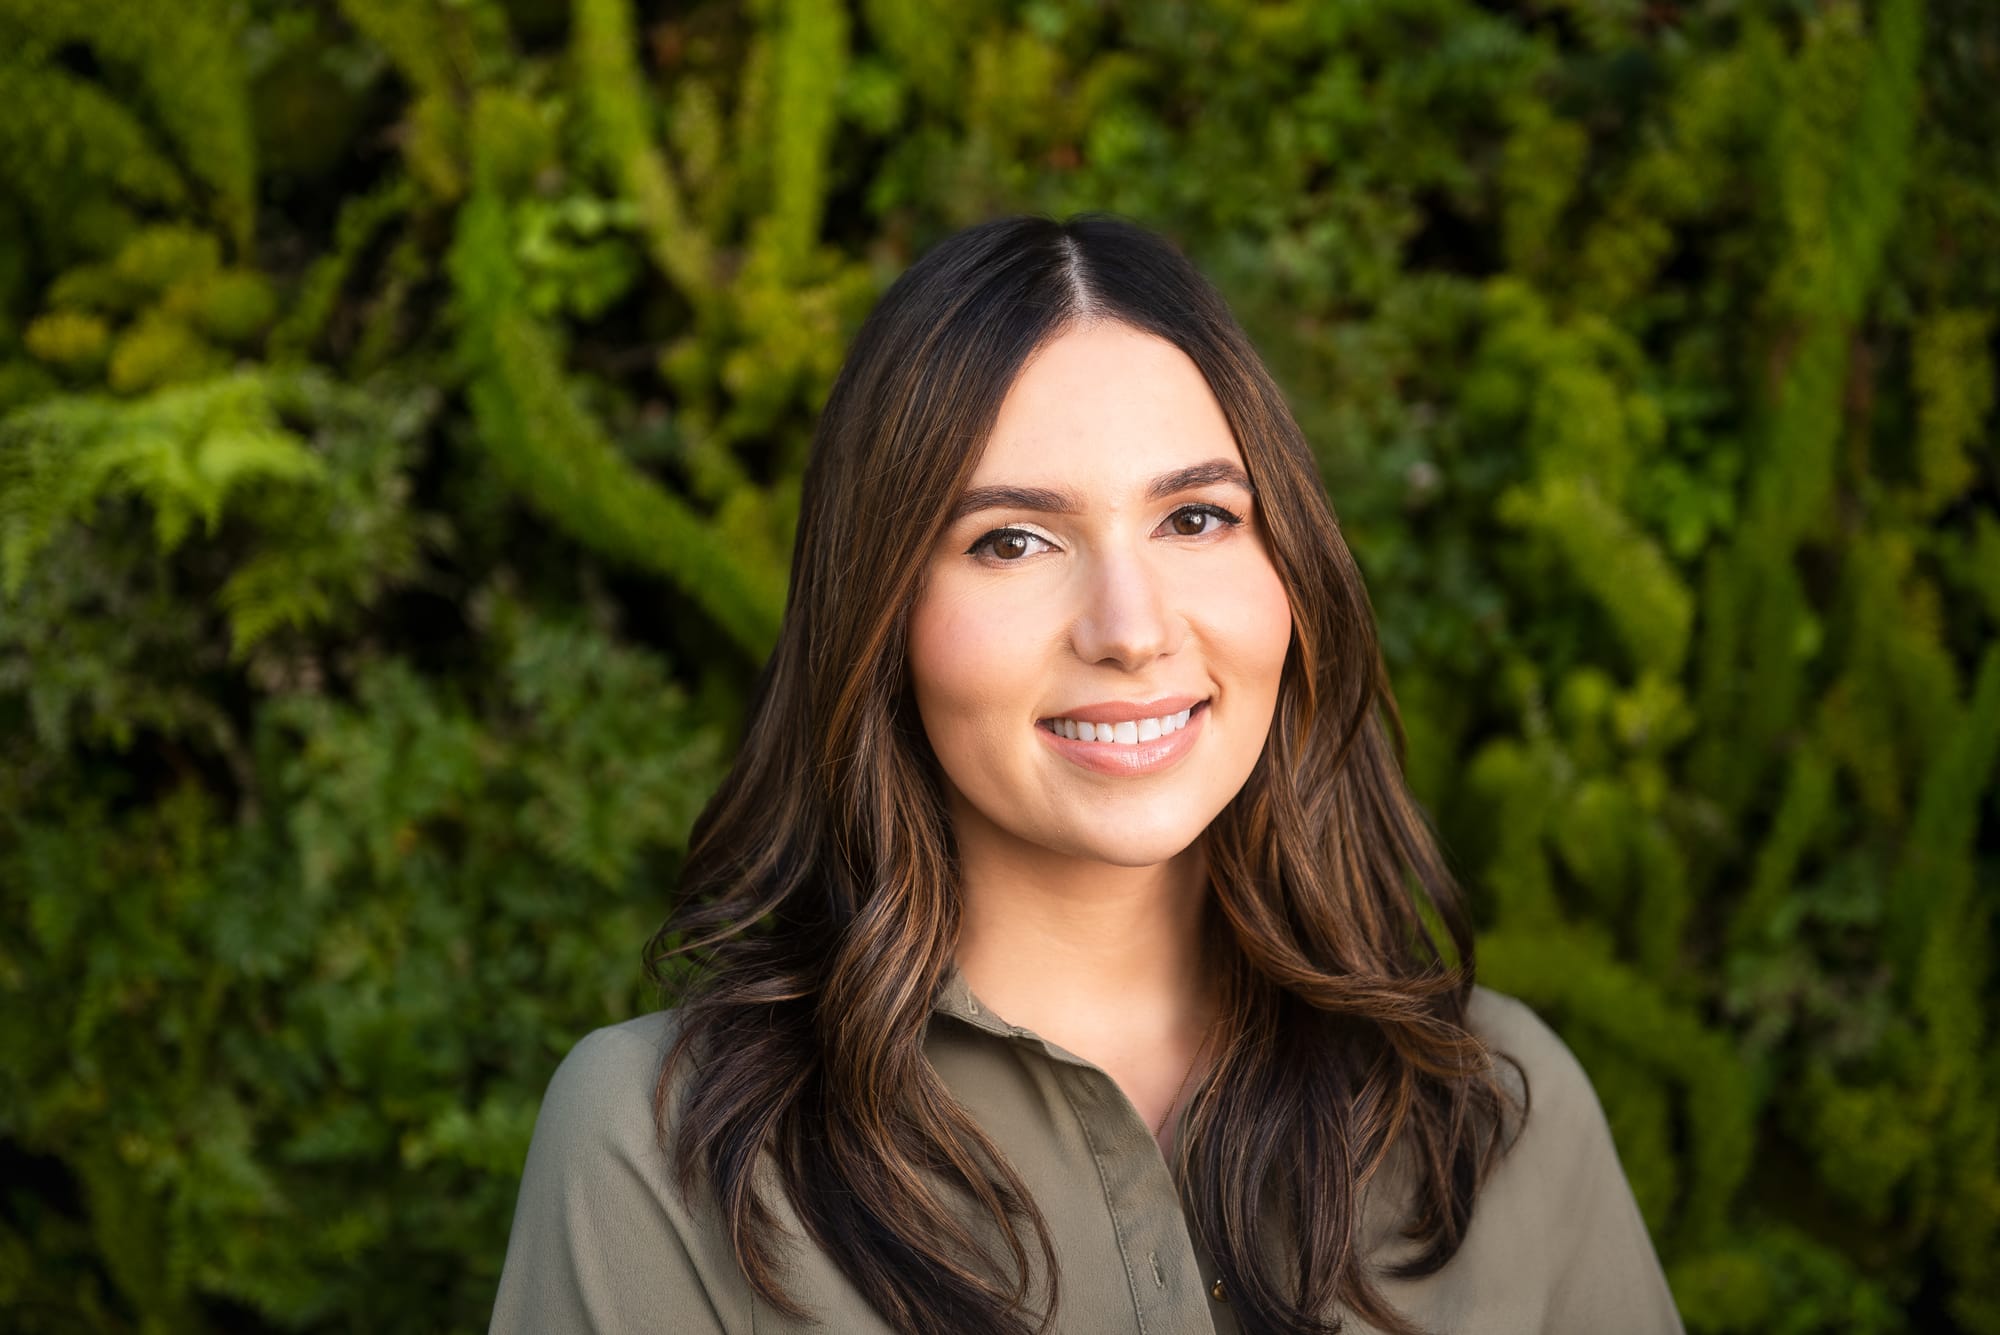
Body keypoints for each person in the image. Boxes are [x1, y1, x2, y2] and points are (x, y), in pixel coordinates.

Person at [488, 214, 1683, 1335]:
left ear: (1292, 571)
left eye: (1197, 520)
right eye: (1012, 541)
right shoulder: (661, 1149)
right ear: (880, 612)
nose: (1129, 627)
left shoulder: (1491, 1106)